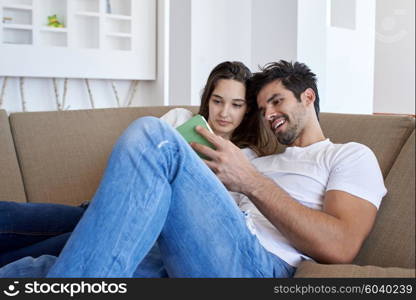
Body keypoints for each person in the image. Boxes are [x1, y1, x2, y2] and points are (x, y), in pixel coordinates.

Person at [1, 60, 386, 278]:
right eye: (263, 107)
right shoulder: (255, 159)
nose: (269, 114)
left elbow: (341, 246)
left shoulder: (347, 155)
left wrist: (249, 181)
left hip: (255, 264)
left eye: (277, 101)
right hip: (186, 250)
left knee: (155, 136)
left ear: (308, 97)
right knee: (33, 269)